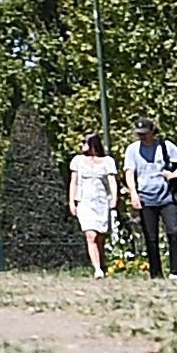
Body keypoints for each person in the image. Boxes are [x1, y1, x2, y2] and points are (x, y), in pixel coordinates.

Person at [132, 127, 177, 279]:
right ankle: (156, 272)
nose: (142, 137)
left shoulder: (165, 146)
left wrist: (174, 174)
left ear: (152, 132)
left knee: (174, 230)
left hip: (166, 196)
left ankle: (175, 269)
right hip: (146, 197)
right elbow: (129, 172)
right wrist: (133, 194)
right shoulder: (132, 150)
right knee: (151, 237)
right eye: (139, 134)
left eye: (145, 133)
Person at [66, 114, 122, 275]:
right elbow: (74, 182)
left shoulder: (107, 162)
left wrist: (114, 198)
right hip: (85, 202)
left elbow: (112, 181)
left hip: (102, 201)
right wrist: (72, 202)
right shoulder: (77, 161)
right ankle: (97, 269)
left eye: (84, 142)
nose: (81, 144)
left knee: (100, 236)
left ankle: (101, 263)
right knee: (90, 234)